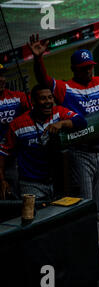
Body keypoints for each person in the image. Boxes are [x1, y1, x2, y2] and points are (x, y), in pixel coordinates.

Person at [27, 34, 99, 222]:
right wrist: (38, 58)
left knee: (98, 205)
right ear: (74, 69)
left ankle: (96, 245)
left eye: (90, 67)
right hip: (79, 151)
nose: (88, 71)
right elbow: (44, 80)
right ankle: (87, 245)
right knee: (86, 202)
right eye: (84, 69)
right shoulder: (66, 88)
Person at [0, 84, 86, 200]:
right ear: (33, 102)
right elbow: (3, 153)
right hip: (31, 184)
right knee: (36, 215)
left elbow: (81, 121)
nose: (48, 101)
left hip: (57, 182)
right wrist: (2, 180)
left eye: (50, 97)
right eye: (43, 98)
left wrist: (61, 123)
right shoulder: (17, 124)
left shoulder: (58, 113)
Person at [0, 64, 31, 199]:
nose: (1, 79)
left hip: (13, 158)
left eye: (2, 75)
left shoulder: (17, 97)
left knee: (17, 197)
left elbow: (36, 106)